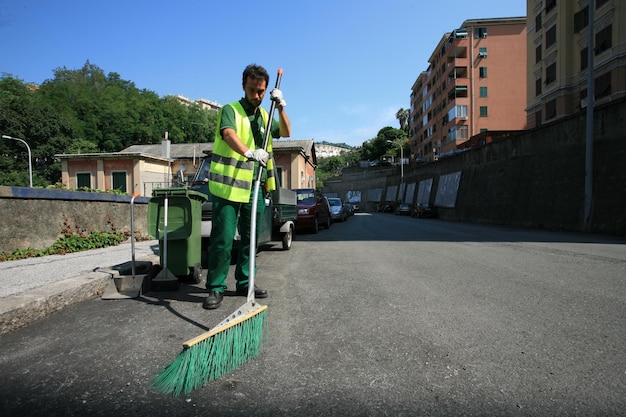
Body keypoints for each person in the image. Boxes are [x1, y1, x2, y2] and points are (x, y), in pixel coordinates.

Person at [203, 64, 291, 310]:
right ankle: (216, 288)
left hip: (255, 187)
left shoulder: (266, 115)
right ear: (243, 86)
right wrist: (249, 152)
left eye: (261, 91)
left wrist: (282, 107)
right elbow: (228, 134)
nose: (257, 96)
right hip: (229, 187)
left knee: (251, 240)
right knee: (222, 240)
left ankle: (245, 282)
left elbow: (285, 131)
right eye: (252, 90)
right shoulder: (230, 110)